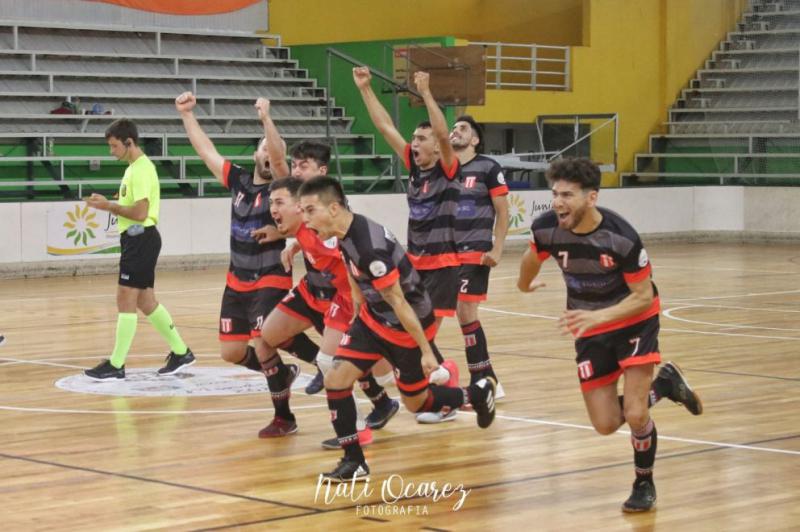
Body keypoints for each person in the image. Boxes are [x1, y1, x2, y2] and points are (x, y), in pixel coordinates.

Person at [517, 157, 703, 512]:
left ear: (591, 198)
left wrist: (597, 315)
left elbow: (643, 296)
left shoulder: (621, 237)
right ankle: (664, 385)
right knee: (604, 424)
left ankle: (644, 483)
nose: (557, 202)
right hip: (591, 328)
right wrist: (524, 285)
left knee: (635, 414)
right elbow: (531, 257)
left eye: (567, 195)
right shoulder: (546, 228)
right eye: (555, 193)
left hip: (635, 321)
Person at [298, 176, 497, 482]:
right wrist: (358, 305)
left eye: (310, 211)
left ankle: (476, 393)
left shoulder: (369, 247)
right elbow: (348, 262)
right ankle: (354, 462)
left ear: (334, 208)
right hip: (374, 320)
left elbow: (400, 302)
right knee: (336, 379)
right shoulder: (343, 231)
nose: (305, 219)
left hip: (406, 327)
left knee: (417, 403)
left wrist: (427, 351)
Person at [175, 93, 319, 405]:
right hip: (236, 280)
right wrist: (187, 115)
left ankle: (319, 367)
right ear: (254, 154)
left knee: (264, 337)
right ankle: (284, 372)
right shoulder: (238, 180)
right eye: (263, 148)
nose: (269, 154)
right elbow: (206, 152)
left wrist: (267, 119)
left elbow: (279, 157)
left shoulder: (281, 187)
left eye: (273, 147)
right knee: (232, 352)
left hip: (269, 276)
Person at [255, 177, 399, 442]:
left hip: (358, 298)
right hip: (338, 298)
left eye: (279, 202)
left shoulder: (324, 234)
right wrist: (291, 241)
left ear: (299, 206)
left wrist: (366, 301)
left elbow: (350, 253)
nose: (273, 209)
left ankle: (440, 376)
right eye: (270, 203)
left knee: (392, 373)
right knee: (320, 357)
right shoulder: (301, 229)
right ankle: (357, 430)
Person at [353, 67, 460, 410]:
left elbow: (444, 137)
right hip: (414, 263)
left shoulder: (446, 167)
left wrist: (427, 94)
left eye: (421, 139)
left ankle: (445, 386)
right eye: (413, 139)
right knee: (413, 329)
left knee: (424, 333)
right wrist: (365, 89)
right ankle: (441, 383)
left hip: (443, 264)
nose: (415, 143)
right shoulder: (413, 167)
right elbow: (385, 127)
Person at [415, 115, 510, 423]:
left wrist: (496, 248)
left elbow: (503, 211)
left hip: (474, 252)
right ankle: (488, 380)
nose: (456, 131)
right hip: (445, 254)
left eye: (463, 129)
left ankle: (481, 380)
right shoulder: (444, 167)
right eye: (453, 127)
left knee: (466, 314)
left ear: (475, 139)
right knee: (438, 315)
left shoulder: (488, 168)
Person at [84, 118, 194, 380]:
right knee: (145, 301)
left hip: (140, 238)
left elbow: (141, 212)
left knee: (125, 297)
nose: (111, 152)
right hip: (139, 239)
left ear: (129, 142)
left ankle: (117, 363)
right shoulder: (134, 168)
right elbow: (133, 206)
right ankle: (181, 352)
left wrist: (108, 207)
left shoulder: (142, 169)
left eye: (114, 146)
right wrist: (112, 202)